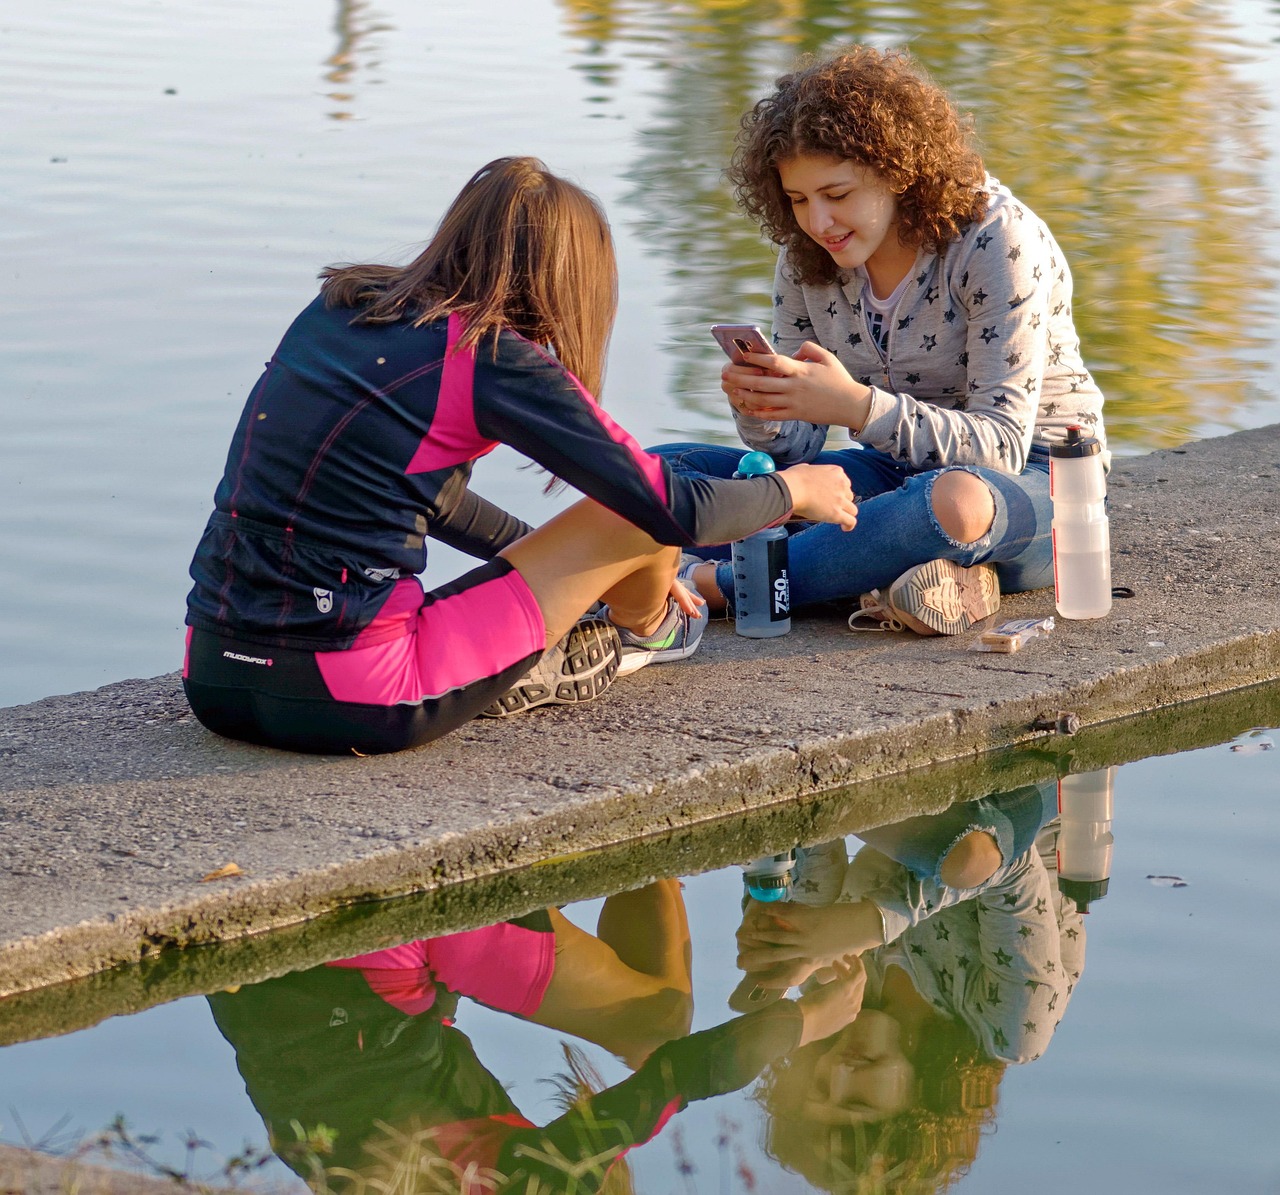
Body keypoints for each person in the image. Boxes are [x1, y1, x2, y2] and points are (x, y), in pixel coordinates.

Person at [182, 157, 856, 754]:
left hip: (211, 671)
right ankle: (643, 634)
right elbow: (672, 509)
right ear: (568, 282)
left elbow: (426, 496)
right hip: (357, 695)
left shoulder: (339, 308)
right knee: (638, 514)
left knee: (630, 516)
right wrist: (798, 489)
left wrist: (572, 574)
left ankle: (582, 623)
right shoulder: (492, 356)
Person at [655, 46, 1107, 635]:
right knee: (659, 471)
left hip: (1039, 483)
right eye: (797, 200)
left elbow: (1000, 449)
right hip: (888, 472)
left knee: (954, 506)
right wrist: (765, 410)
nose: (817, 223)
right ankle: (908, 576)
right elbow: (795, 459)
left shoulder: (995, 240)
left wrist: (854, 406)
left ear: (898, 170)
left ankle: (719, 584)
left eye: (836, 195)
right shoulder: (807, 258)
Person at [208, 882, 867, 1193]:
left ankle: (650, 854)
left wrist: (809, 1022)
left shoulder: (543, 1188)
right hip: (248, 971)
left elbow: (684, 1074)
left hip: (388, 940)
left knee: (660, 1027)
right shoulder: (351, 1182)